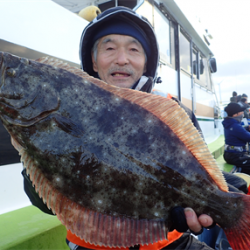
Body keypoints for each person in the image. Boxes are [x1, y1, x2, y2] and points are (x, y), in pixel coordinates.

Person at [22, 6, 247, 250]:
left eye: (133, 49)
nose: (122, 59)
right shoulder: (63, 110)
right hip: (94, 245)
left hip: (170, 242)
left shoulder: (175, 112)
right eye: (109, 48)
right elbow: (45, 202)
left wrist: (216, 195)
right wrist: (37, 153)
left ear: (146, 62)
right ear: (94, 62)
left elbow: (196, 172)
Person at [223, 102, 250, 174]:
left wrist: (247, 128)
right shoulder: (235, 126)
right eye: (241, 111)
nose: (243, 113)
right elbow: (247, 137)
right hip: (236, 156)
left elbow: (240, 132)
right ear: (235, 114)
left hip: (230, 155)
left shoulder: (230, 123)